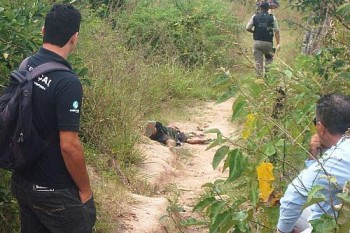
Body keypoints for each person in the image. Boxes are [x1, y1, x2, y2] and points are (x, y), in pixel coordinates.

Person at [10, 4, 96, 233]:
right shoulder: (67, 82)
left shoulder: (26, 65)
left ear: (43, 30)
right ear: (74, 38)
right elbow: (69, 146)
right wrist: (85, 190)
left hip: (22, 181)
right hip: (53, 191)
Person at [276, 93, 350, 233]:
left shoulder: (337, 159)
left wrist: (281, 231)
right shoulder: (341, 153)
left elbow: (296, 192)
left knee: (289, 211)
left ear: (321, 127)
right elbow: (321, 177)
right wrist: (314, 153)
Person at [246, 1, 280, 77]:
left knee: (258, 63)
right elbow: (276, 31)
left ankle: (259, 81)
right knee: (269, 60)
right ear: (268, 8)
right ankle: (268, 79)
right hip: (268, 44)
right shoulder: (272, 17)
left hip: (257, 43)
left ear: (260, 8)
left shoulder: (255, 16)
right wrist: (278, 43)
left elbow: (247, 27)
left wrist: (254, 31)